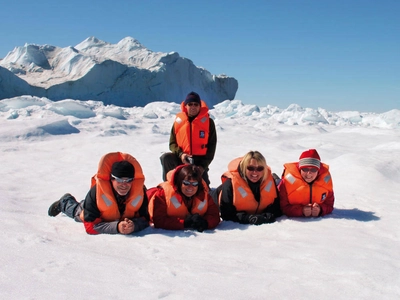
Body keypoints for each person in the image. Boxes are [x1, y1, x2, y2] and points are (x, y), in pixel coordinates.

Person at [48, 152, 150, 235]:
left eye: (129, 180)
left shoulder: (140, 191)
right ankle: (65, 202)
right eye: (119, 180)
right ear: (111, 179)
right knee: (78, 212)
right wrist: (117, 227)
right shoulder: (96, 192)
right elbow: (90, 227)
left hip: (115, 215)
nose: (124, 184)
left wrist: (134, 225)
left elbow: (146, 219)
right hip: (93, 210)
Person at [160, 91, 217, 186]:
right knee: (166, 158)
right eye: (190, 104)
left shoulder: (209, 123)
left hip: (199, 162)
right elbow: (172, 143)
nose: (193, 106)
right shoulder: (178, 122)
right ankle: (169, 185)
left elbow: (212, 146)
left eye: (196, 104)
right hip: (182, 159)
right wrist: (181, 154)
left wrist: (203, 166)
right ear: (185, 106)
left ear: (200, 106)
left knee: (204, 191)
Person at [147, 164, 220, 232]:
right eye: (186, 183)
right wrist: (184, 223)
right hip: (147, 199)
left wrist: (205, 222)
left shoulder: (204, 194)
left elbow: (214, 215)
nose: (190, 187)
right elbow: (159, 220)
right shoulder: (162, 194)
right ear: (179, 182)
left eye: (194, 184)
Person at [215, 151, 282, 225]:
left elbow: (277, 207)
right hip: (211, 199)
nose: (255, 172)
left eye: (259, 168)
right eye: (250, 168)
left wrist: (268, 215)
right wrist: (248, 218)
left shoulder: (269, 181)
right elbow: (226, 214)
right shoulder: (230, 183)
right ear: (244, 168)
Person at [277, 149, 335, 217]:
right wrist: (301, 211)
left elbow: (329, 205)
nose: (309, 173)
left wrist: (321, 210)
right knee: (276, 183)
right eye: (305, 169)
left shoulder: (326, 184)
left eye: (313, 170)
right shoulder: (286, 183)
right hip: (279, 184)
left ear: (318, 171)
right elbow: (283, 207)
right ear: (299, 169)